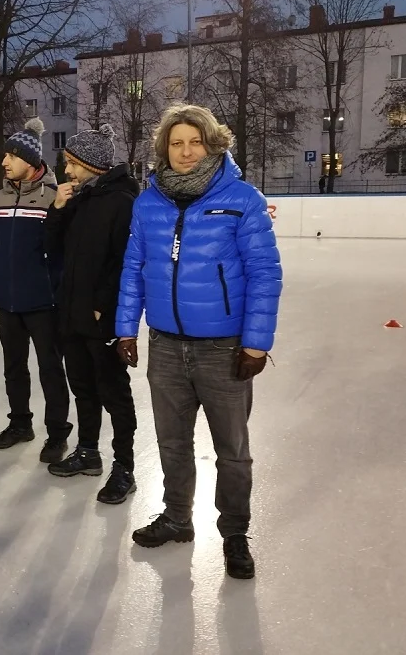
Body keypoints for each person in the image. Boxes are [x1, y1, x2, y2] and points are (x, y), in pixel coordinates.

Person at [115, 104, 282, 579]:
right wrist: (127, 327)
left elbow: (264, 273)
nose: (186, 152)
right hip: (165, 345)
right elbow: (134, 268)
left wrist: (255, 342)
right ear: (163, 148)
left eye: (195, 142)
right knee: (171, 442)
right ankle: (176, 518)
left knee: (232, 449)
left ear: (212, 145)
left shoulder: (242, 198)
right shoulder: (148, 201)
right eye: (176, 143)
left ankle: (234, 533)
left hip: (222, 347)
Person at [44, 124, 140, 505]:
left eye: (71, 163)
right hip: (70, 312)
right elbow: (51, 248)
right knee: (82, 386)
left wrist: (104, 305)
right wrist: (57, 209)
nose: (66, 170)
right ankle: (88, 451)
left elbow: (125, 262)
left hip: (100, 317)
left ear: (90, 163)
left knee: (113, 393)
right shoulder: (80, 199)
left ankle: (125, 467)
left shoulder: (123, 202)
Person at [0, 117, 72, 464]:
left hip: (44, 301)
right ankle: (20, 424)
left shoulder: (54, 198)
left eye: (12, 156)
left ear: (31, 161)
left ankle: (57, 433)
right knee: (13, 367)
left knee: (51, 368)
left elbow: (61, 249)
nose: (4, 161)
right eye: (5, 155)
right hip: (7, 300)